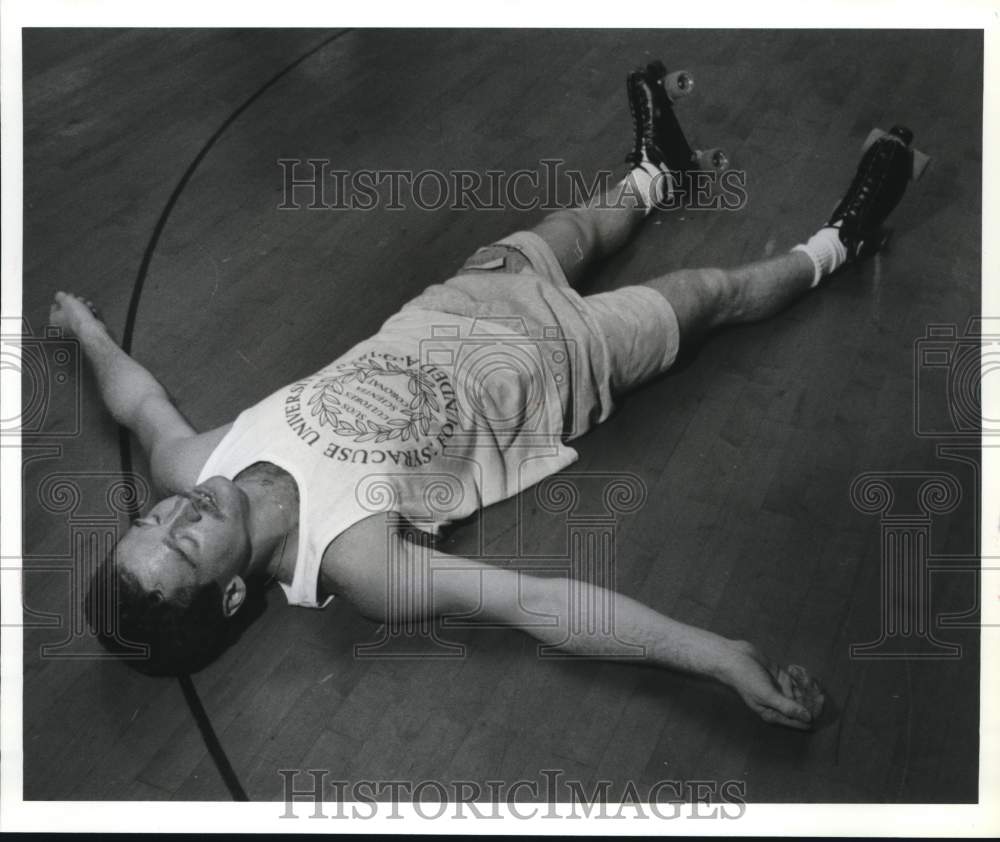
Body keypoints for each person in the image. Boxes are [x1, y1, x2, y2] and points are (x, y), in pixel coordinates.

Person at [52, 60, 918, 730]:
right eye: (186, 541)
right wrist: (722, 659)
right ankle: (842, 242)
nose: (175, 511)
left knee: (575, 226)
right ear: (231, 594)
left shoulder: (193, 461)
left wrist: (86, 334)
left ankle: (658, 172)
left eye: (151, 519)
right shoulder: (359, 564)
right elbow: (540, 605)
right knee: (710, 294)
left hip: (455, 304)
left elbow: (136, 402)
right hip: (562, 364)